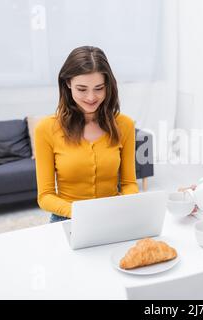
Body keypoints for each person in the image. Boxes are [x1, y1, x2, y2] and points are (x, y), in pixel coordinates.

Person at [35, 46, 138, 223]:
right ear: (68, 83)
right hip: (67, 219)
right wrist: (82, 213)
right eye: (82, 89)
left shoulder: (125, 125)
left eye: (99, 88)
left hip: (112, 216)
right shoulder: (46, 129)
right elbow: (45, 196)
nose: (91, 97)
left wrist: (126, 204)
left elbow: (129, 184)